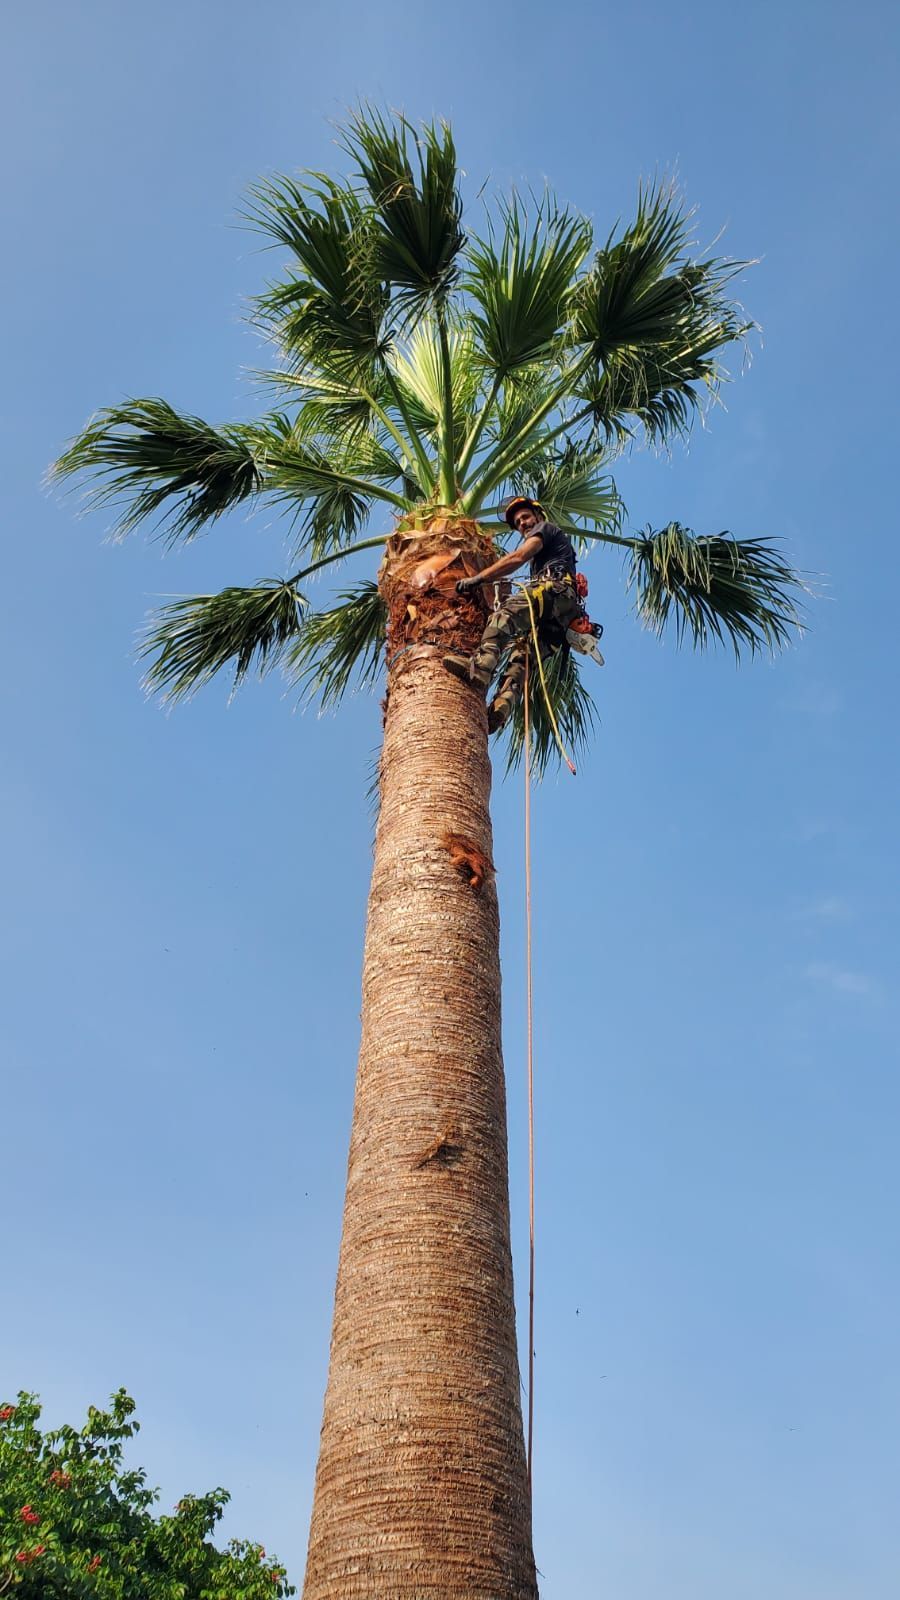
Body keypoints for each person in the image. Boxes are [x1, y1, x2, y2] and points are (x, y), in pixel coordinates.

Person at [443, 496, 581, 732]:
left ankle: (480, 667)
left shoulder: (545, 529)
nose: (522, 524)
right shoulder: (550, 553)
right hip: (562, 616)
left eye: (525, 517)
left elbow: (518, 557)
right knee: (523, 657)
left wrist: (479, 578)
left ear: (537, 516)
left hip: (555, 592)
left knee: (505, 615)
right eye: (517, 522)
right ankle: (500, 708)